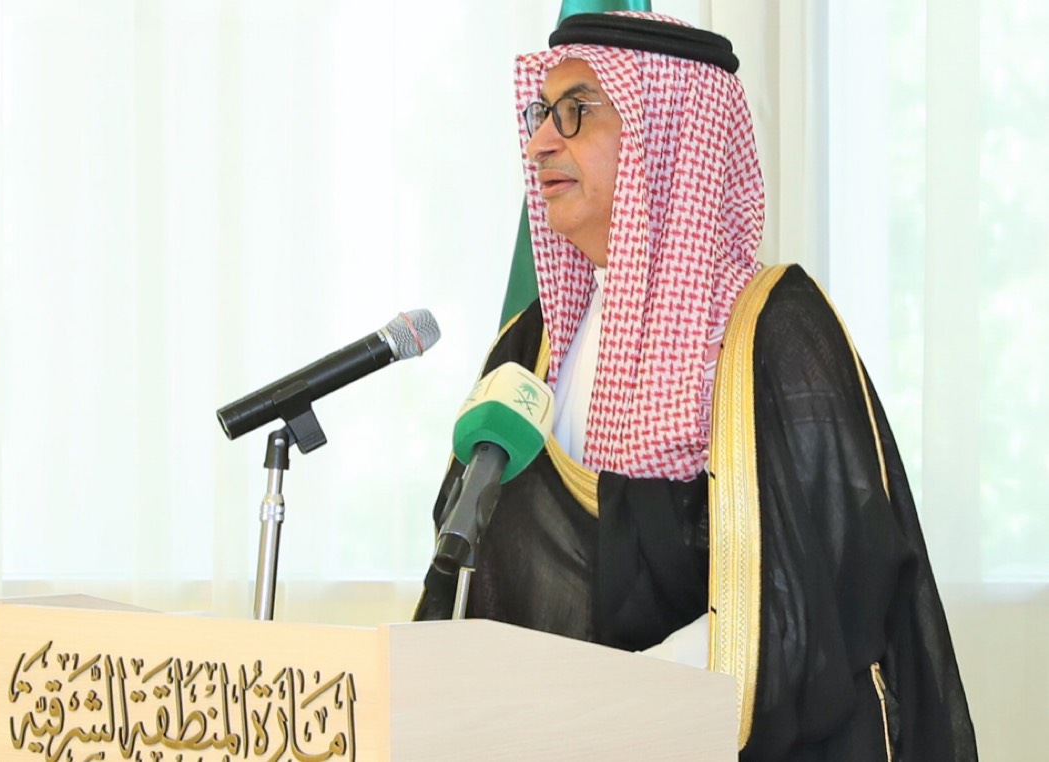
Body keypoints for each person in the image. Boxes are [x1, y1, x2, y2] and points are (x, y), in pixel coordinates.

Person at [415, 11, 977, 761]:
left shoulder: (774, 332)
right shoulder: (529, 346)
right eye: (539, 113)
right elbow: (473, 574)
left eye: (576, 110)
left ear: (668, 133)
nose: (541, 140)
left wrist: (606, 709)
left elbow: (820, 596)